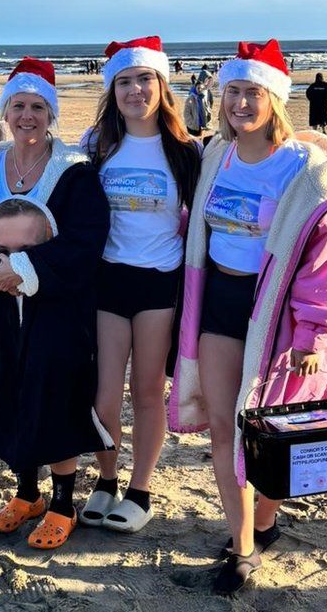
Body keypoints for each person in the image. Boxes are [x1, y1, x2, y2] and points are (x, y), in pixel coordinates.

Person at [167, 39, 327, 595]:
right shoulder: (214, 157)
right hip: (219, 307)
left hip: (275, 315)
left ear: (275, 99)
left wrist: (314, 333)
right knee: (227, 432)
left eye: (252, 92)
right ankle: (243, 549)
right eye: (233, 91)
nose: (240, 103)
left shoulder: (307, 174)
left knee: (270, 432)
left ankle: (265, 521)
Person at [0, 57, 111, 551]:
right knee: (6, 391)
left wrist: (29, 271)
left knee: (55, 394)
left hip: (55, 308)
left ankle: (63, 502)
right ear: (7, 110)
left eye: (38, 106)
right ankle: (26, 493)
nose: (27, 116)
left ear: (51, 113)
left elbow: (86, 237)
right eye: (18, 105)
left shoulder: (74, 172)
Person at [78, 36, 200, 533]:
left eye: (144, 79)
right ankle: (106, 479)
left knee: (148, 389)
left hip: (159, 282)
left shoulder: (187, 150)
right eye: (124, 81)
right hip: (108, 278)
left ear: (161, 85)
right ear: (113, 90)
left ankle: (141, 489)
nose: (134, 89)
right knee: (105, 393)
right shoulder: (96, 145)